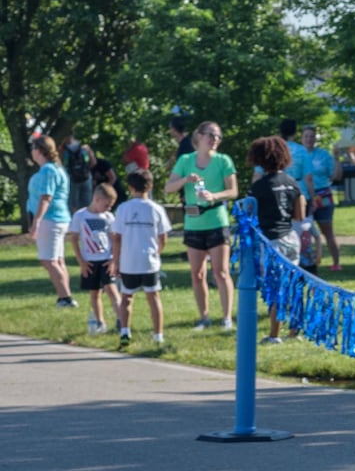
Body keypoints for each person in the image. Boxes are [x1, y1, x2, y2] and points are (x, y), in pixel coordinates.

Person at [165, 120, 238, 330]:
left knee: (220, 272)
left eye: (218, 137)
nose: (214, 140)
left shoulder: (224, 160)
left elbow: (233, 191)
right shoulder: (186, 160)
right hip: (193, 222)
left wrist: (213, 195)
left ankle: (226, 318)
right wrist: (185, 180)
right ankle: (204, 317)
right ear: (199, 136)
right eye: (211, 135)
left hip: (216, 220)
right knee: (197, 274)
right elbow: (168, 188)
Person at [249, 135, 308, 344]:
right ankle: (294, 331)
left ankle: (274, 334)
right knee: (292, 286)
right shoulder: (292, 183)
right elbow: (300, 214)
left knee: (275, 288)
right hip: (291, 237)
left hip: (272, 241)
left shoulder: (259, 186)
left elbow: (249, 216)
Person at [110, 170, 172, 347]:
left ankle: (125, 331)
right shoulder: (156, 208)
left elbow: (117, 236)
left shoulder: (123, 208)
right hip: (149, 261)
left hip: (129, 261)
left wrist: (116, 260)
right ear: (150, 186)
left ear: (130, 187)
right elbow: (163, 237)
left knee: (127, 297)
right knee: (153, 297)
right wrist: (157, 253)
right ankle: (158, 335)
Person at [26, 135, 77, 309]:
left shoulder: (48, 171)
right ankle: (64, 295)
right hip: (59, 219)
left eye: (33, 147)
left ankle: (66, 298)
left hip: (50, 219)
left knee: (49, 261)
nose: (31, 151)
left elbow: (46, 197)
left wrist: (36, 221)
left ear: (40, 150)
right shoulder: (56, 169)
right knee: (58, 260)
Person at [67, 183, 124, 336]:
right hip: (90, 261)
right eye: (107, 205)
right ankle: (100, 321)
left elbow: (115, 239)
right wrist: (81, 262)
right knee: (95, 293)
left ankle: (121, 320)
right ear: (97, 199)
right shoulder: (80, 215)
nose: (109, 208)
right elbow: (74, 239)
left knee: (112, 289)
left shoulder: (108, 217)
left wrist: (114, 260)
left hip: (106, 259)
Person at [298, 125, 342, 271]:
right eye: (306, 136)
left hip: (322, 195)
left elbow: (335, 176)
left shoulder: (323, 155)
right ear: (301, 138)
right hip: (303, 196)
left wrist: (336, 158)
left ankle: (336, 262)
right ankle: (305, 261)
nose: (309, 139)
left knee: (327, 230)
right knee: (303, 231)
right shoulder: (297, 154)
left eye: (312, 136)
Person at [61, 133, 94, 213]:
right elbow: (93, 162)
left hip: (72, 179)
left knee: (72, 205)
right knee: (87, 203)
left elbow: (61, 165)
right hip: (86, 177)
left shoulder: (63, 150)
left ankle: (74, 222)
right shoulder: (84, 147)